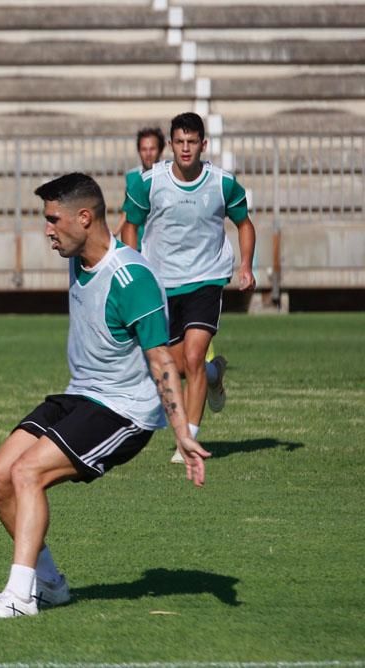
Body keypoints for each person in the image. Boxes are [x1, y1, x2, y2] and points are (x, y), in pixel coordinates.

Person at [0, 173, 209, 619]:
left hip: (124, 411)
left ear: (85, 217)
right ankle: (51, 585)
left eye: (54, 219)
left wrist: (182, 432)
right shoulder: (78, 256)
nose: (47, 229)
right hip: (81, 394)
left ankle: (20, 597)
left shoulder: (132, 279)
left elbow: (162, 361)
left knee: (27, 474)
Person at [121, 113, 256, 463]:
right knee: (177, 366)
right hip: (162, 283)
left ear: (203, 145)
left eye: (192, 142)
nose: (185, 148)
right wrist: (134, 269)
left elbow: (244, 224)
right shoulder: (148, 183)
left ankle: (189, 439)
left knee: (194, 356)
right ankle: (215, 375)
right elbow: (130, 227)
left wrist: (245, 265)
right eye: (179, 141)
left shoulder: (222, 183)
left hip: (207, 279)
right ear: (171, 144)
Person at [113, 126, 165, 240]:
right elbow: (128, 210)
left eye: (152, 149)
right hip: (138, 243)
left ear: (160, 150)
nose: (148, 153)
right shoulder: (132, 177)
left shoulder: (168, 177)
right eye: (144, 149)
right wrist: (115, 232)